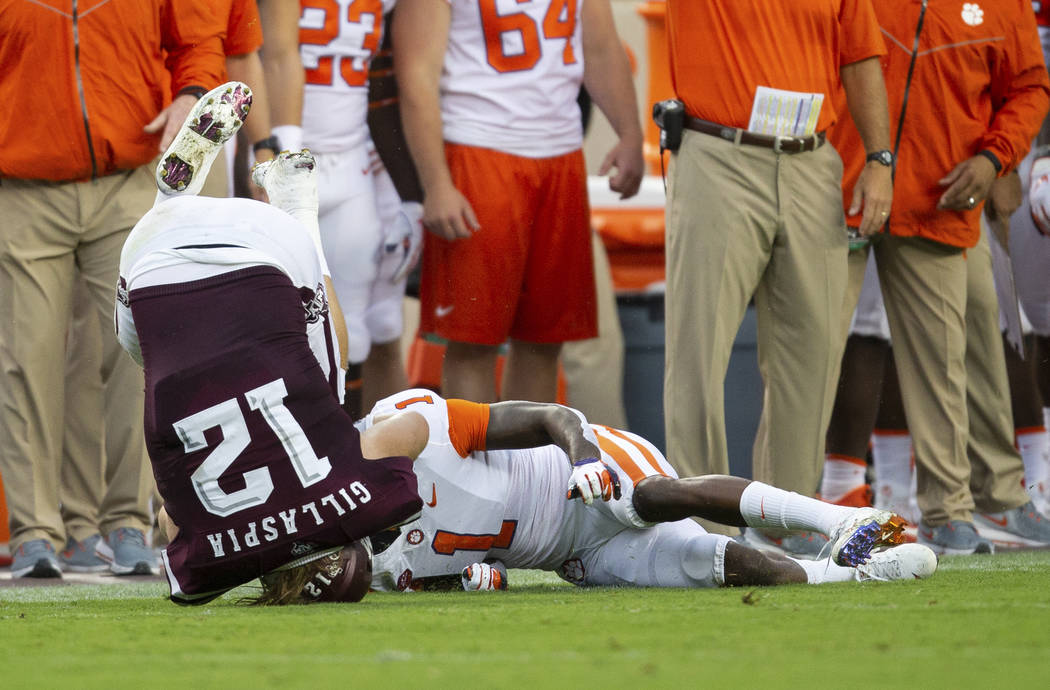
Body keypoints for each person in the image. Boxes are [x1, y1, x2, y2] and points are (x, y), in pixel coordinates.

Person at [118, 83, 425, 604]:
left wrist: (343, 445)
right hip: (150, 265)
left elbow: (416, 428)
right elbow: (169, 515)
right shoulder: (209, 570)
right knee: (148, 352)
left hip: (270, 247)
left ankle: (297, 207)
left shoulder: (356, 503)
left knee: (327, 378)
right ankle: (170, 205)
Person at [258, 389, 934, 602]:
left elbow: (551, 416)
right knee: (714, 565)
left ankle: (841, 519)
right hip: (575, 558)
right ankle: (847, 572)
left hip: (587, 481)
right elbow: (440, 565)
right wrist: (475, 578)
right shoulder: (377, 571)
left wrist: (583, 458)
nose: (326, 575)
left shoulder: (409, 429)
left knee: (646, 497)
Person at [0, 0, 226, 578]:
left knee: (132, 354)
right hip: (21, 185)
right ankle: (34, 530)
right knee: (28, 358)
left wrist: (189, 94)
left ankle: (126, 519)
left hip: (129, 176)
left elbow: (198, 38)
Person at [660, 2, 894, 531]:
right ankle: (700, 528)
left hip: (812, 156)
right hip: (718, 150)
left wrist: (880, 159)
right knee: (698, 352)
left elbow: (861, 56)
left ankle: (784, 525)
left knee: (811, 357)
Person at [828, 0, 1050, 555]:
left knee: (971, 336)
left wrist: (997, 158)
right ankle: (797, 497)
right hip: (844, 184)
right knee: (815, 348)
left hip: (942, 196)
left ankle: (979, 497)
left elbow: (1027, 85)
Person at [393, 0, 644, 405]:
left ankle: (528, 465)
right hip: (478, 149)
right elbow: (416, 73)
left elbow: (599, 47)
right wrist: (436, 181)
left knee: (545, 342)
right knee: (472, 343)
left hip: (561, 155)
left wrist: (630, 132)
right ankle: (472, 466)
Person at [298, 0, 423, 419]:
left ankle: (346, 465)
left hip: (353, 161)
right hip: (283, 161)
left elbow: (383, 89)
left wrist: (410, 197)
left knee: (355, 329)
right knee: (267, 324)